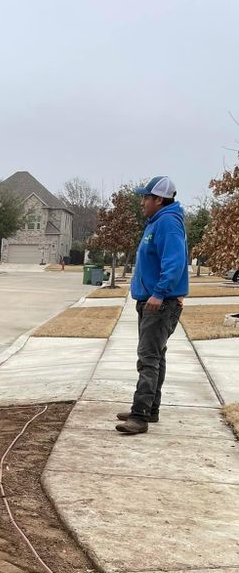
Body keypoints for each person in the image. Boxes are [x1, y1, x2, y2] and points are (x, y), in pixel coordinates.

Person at [116, 176, 189, 435]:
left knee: (148, 358)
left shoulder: (168, 223)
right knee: (155, 356)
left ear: (159, 199)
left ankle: (139, 417)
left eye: (146, 197)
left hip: (159, 303)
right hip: (151, 300)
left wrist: (160, 293)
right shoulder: (157, 221)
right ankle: (149, 408)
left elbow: (174, 262)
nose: (142, 202)